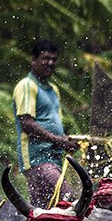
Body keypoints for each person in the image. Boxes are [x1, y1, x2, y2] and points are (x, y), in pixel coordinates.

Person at [13, 39, 78, 207]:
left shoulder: (53, 90)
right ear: (33, 60)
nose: (50, 63)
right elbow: (26, 123)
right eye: (45, 58)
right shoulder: (27, 85)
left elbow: (54, 126)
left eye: (54, 59)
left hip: (54, 160)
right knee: (69, 200)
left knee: (44, 210)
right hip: (38, 159)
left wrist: (67, 142)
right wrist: (58, 141)